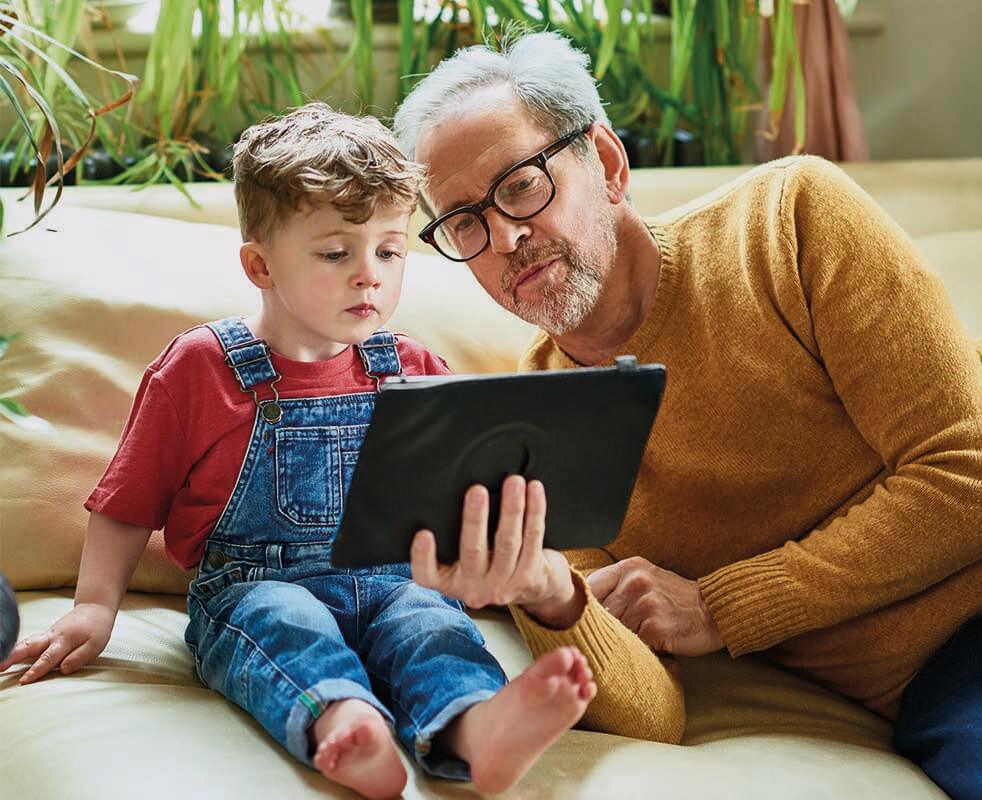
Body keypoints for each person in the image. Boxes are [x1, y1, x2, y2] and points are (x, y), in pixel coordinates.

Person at [391, 31, 982, 799]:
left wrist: (720, 606)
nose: (504, 238)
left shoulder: (789, 218)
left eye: (522, 184)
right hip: (942, 665)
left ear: (604, 160)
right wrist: (550, 594)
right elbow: (654, 711)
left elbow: (979, 486)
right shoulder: (543, 435)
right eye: (464, 221)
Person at [0, 103, 596, 799]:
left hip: (394, 580)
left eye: (389, 249)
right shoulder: (201, 367)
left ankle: (474, 728)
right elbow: (127, 501)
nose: (368, 274)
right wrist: (95, 607)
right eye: (336, 252)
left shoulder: (411, 369)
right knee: (289, 623)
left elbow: (459, 498)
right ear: (260, 265)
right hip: (254, 585)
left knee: (431, 625)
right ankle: (343, 725)